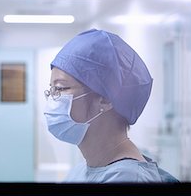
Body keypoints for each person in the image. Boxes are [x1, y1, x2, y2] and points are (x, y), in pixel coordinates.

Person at [43, 29, 179, 183]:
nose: (52, 99)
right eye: (51, 89)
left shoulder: (128, 179)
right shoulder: (82, 170)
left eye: (60, 88)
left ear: (106, 99)